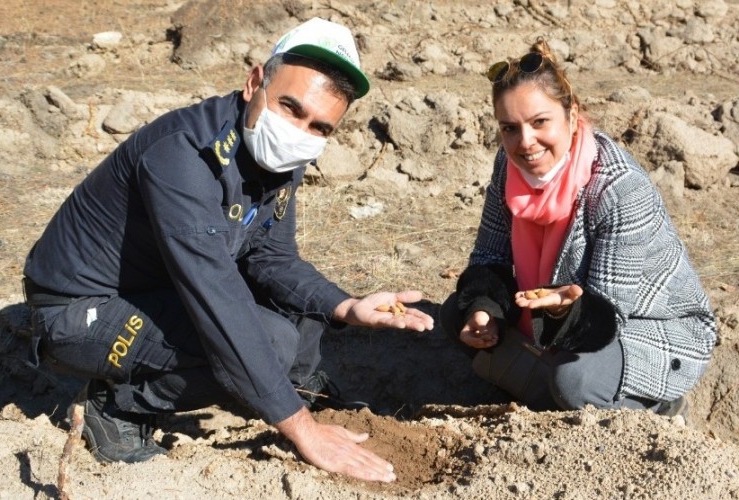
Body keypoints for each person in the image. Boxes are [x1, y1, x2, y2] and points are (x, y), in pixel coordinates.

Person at [22, 18, 433, 483]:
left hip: (161, 286)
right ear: (255, 82)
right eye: (290, 107)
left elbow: (272, 260)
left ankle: (291, 386)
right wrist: (302, 429)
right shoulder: (183, 154)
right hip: (78, 311)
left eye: (320, 126)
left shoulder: (277, 155)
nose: (299, 131)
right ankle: (120, 407)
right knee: (270, 342)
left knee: (302, 305)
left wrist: (348, 306)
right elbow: (216, 297)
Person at [438, 37, 716, 416]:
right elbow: (490, 256)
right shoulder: (508, 166)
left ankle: (658, 409)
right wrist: (483, 311)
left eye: (539, 122)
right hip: (561, 314)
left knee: (573, 379)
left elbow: (609, 314)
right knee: (456, 314)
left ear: (571, 116)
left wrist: (560, 313)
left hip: (650, 327)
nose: (526, 142)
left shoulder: (618, 188)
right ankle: (548, 396)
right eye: (510, 129)